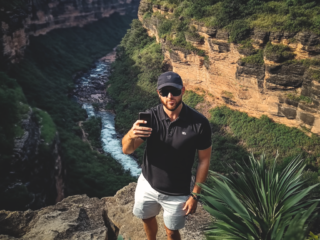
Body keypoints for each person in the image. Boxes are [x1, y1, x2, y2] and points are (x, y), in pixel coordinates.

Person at [122, 71, 212, 240]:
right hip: (148, 184)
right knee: (147, 219)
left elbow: (204, 160)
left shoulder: (199, 123)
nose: (170, 96)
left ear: (183, 91)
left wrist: (195, 195)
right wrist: (130, 135)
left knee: (171, 231)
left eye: (175, 91)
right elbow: (127, 150)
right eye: (164, 92)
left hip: (178, 191)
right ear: (158, 93)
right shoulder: (151, 118)